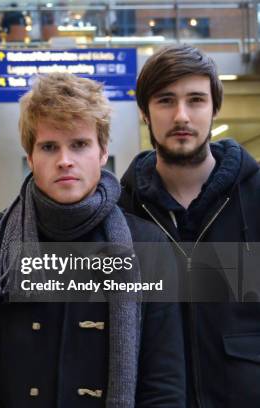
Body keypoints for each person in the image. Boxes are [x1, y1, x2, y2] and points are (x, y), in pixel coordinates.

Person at [0, 72, 185, 407]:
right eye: (49, 147)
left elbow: (163, 385)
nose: (65, 160)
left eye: (80, 144)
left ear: (102, 152)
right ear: (30, 157)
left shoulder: (146, 246)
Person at [120, 44, 260, 407]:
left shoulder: (256, 197)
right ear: (145, 113)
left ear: (214, 108)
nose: (181, 115)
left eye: (196, 100)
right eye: (165, 101)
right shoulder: (121, 211)